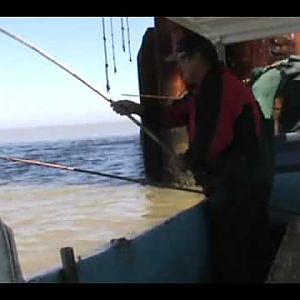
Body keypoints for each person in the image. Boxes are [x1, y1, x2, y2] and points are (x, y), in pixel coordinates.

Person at [111, 32, 273, 282]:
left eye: (182, 60)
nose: (180, 67)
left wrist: (187, 160)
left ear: (198, 57)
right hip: (234, 185)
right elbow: (174, 114)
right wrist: (137, 109)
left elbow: (215, 139)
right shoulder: (205, 89)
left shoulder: (220, 87)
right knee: (238, 255)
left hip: (241, 188)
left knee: (236, 260)